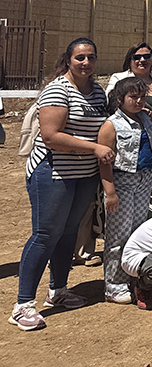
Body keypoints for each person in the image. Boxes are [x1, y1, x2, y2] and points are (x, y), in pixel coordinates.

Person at [12, 38, 111, 331]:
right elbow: (51, 136)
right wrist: (94, 149)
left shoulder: (96, 91)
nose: (86, 63)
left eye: (91, 57)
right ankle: (23, 305)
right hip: (52, 173)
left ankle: (58, 291)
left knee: (68, 232)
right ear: (68, 60)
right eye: (80, 57)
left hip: (82, 174)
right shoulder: (58, 89)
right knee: (45, 234)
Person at [97, 77, 152, 304]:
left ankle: (131, 278)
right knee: (117, 235)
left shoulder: (145, 118)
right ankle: (113, 284)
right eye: (132, 97)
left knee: (136, 232)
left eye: (141, 97)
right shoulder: (111, 125)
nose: (138, 101)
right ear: (119, 99)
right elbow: (105, 161)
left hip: (144, 180)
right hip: (123, 181)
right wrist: (110, 192)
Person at [108, 42, 152, 179]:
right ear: (130, 59)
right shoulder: (118, 78)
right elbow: (111, 104)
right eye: (137, 57)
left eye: (147, 56)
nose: (142, 60)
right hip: (126, 144)